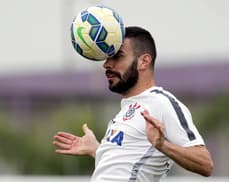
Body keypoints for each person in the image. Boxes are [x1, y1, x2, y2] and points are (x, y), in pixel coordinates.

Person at [53, 26, 213, 181]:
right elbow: (126, 165)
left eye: (117, 56)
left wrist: (162, 145)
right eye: (108, 57)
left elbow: (205, 163)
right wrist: (97, 149)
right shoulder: (125, 110)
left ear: (144, 61)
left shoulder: (161, 103)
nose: (107, 64)